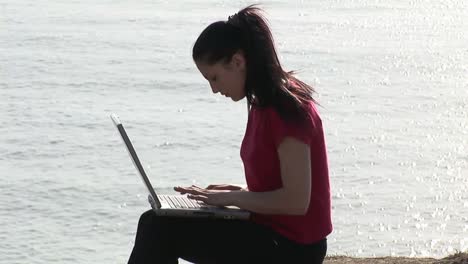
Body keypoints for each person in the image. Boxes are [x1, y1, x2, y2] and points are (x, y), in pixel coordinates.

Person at [127, 5, 332, 264]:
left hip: (292, 248)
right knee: (155, 221)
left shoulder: (286, 108)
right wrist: (239, 191)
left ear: (237, 61)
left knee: (158, 228)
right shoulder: (261, 102)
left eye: (214, 78)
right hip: (270, 232)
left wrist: (232, 198)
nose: (214, 89)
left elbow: (296, 201)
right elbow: (279, 185)